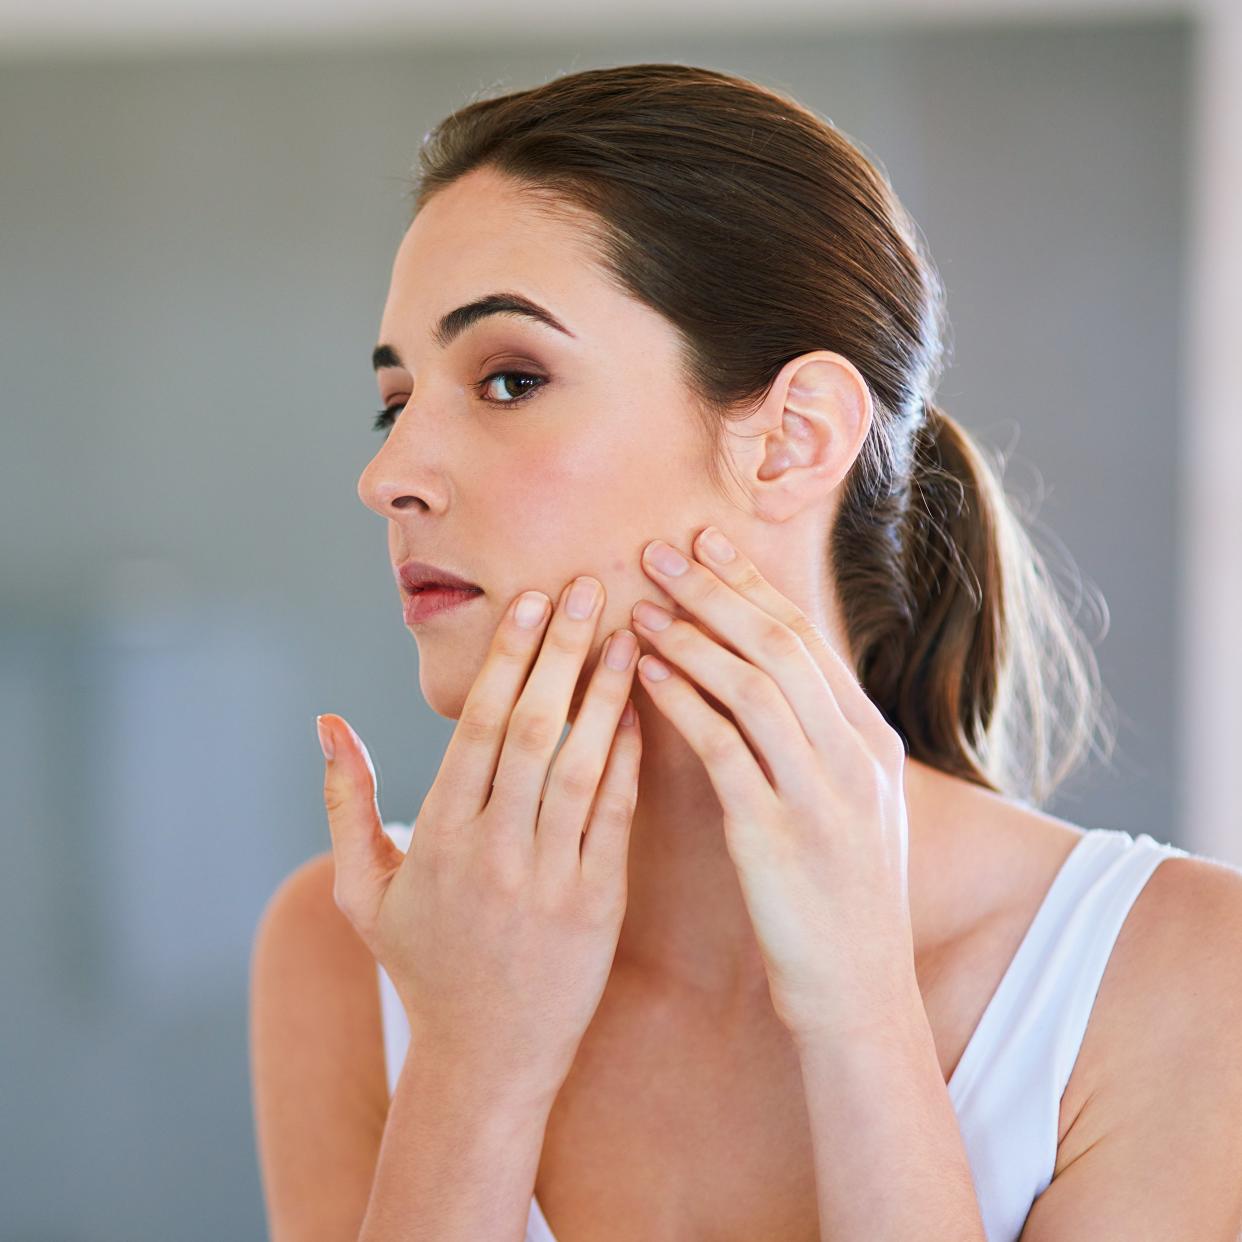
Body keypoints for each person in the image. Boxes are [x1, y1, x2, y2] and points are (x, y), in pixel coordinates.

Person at [249, 63, 1242, 1242]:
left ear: (791, 439)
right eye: (395, 401)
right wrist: (469, 1065)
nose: (388, 477)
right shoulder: (352, 949)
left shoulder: (1177, 974)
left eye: (509, 380)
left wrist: (860, 1016)